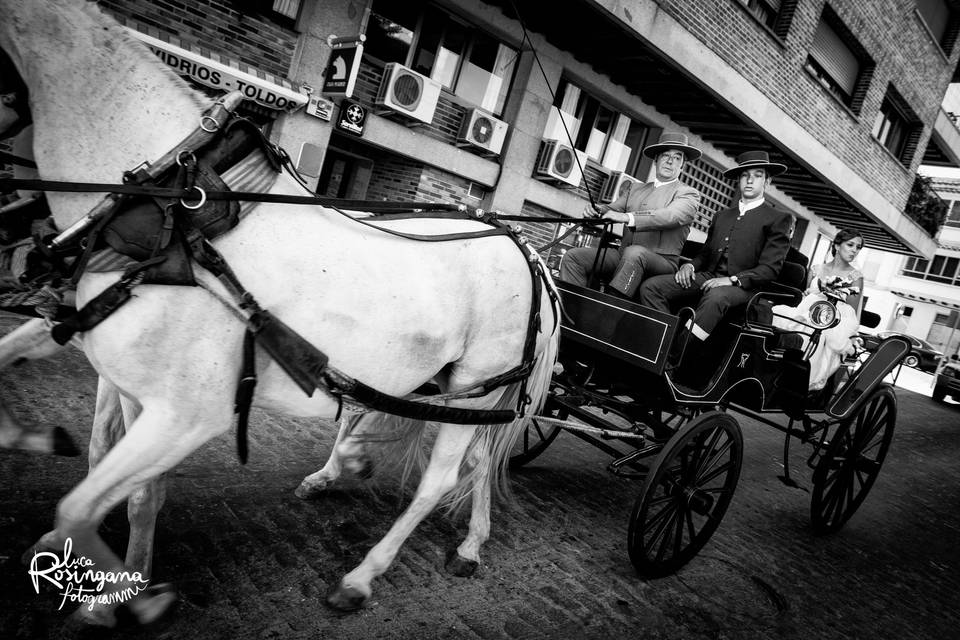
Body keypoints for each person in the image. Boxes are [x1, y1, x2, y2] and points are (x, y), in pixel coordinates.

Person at [639, 149, 793, 386]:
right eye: (745, 175)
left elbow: (770, 270)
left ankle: (672, 359)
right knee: (652, 287)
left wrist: (732, 280)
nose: (750, 180)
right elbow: (705, 254)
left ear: (767, 181)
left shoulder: (777, 218)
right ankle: (661, 345)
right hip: (708, 276)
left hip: (744, 288)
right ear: (739, 180)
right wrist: (690, 266)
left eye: (758, 175)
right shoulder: (723, 215)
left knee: (716, 297)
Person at [559, 131, 702, 299]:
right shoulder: (635, 188)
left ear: (682, 166)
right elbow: (612, 209)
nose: (670, 161)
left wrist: (628, 217)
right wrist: (598, 211)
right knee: (574, 257)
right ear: (656, 160)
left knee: (634, 253)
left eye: (677, 158)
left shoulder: (688, 193)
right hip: (623, 254)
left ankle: (609, 309)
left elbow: (671, 216)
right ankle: (568, 310)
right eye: (665, 156)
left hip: (662, 262)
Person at [772, 228, 865, 390]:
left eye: (858, 247)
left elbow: (852, 309)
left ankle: (799, 382)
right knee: (778, 312)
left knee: (816, 334)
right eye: (850, 245)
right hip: (807, 309)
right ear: (837, 245)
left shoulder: (855, 276)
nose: (854, 251)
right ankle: (771, 367)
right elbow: (806, 294)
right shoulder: (816, 269)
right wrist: (809, 294)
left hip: (835, 317)